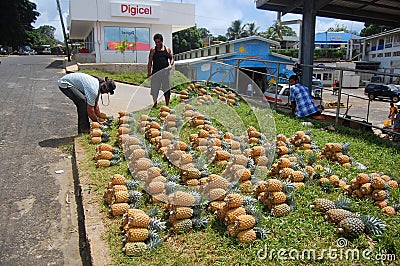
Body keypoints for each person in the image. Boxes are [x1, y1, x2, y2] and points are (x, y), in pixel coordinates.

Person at [147, 33, 174, 108]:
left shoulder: (167, 49)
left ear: (162, 41)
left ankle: (167, 105)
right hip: (156, 72)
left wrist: (170, 65)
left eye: (159, 42)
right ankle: (155, 104)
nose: (158, 44)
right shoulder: (153, 50)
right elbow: (150, 62)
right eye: (156, 42)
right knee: (154, 89)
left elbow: (172, 58)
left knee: (167, 89)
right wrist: (149, 72)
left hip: (165, 73)